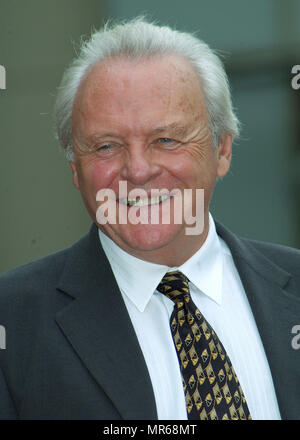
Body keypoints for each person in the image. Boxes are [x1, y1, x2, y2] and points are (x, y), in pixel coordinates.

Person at [0, 17, 299, 421]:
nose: (138, 171)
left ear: (223, 151)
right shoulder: (13, 324)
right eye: (106, 145)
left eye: (166, 140)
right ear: (75, 168)